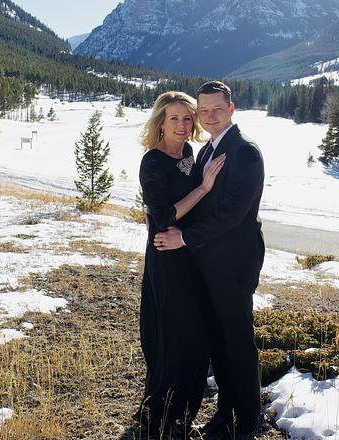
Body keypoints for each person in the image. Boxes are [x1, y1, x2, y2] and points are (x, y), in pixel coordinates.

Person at [155, 81, 265, 440]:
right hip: (208, 264)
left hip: (233, 265)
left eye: (217, 108)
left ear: (231, 110)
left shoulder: (244, 152)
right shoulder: (206, 150)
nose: (210, 115)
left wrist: (184, 238)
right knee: (219, 343)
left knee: (237, 342)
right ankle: (225, 416)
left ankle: (246, 423)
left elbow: (233, 213)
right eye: (203, 110)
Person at [136, 91, 226, 439]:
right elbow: (162, 216)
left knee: (197, 337)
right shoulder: (152, 161)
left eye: (187, 118)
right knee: (172, 336)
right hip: (167, 258)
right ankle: (158, 415)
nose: (181, 125)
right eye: (173, 118)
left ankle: (182, 413)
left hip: (191, 254)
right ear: (160, 122)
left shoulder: (189, 153)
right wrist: (204, 188)